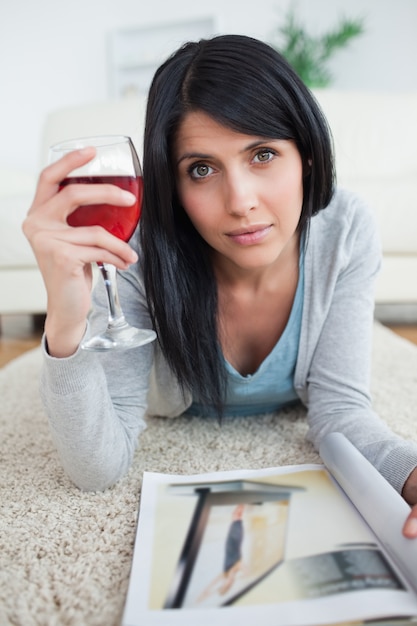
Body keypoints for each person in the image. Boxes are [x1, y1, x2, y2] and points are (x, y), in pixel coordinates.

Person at [23, 34, 417, 537]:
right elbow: (96, 468)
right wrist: (65, 319)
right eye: (201, 169)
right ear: (174, 184)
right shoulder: (136, 250)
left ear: (309, 156)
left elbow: (342, 413)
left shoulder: (345, 228)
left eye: (263, 155)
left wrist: (410, 475)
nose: (240, 201)